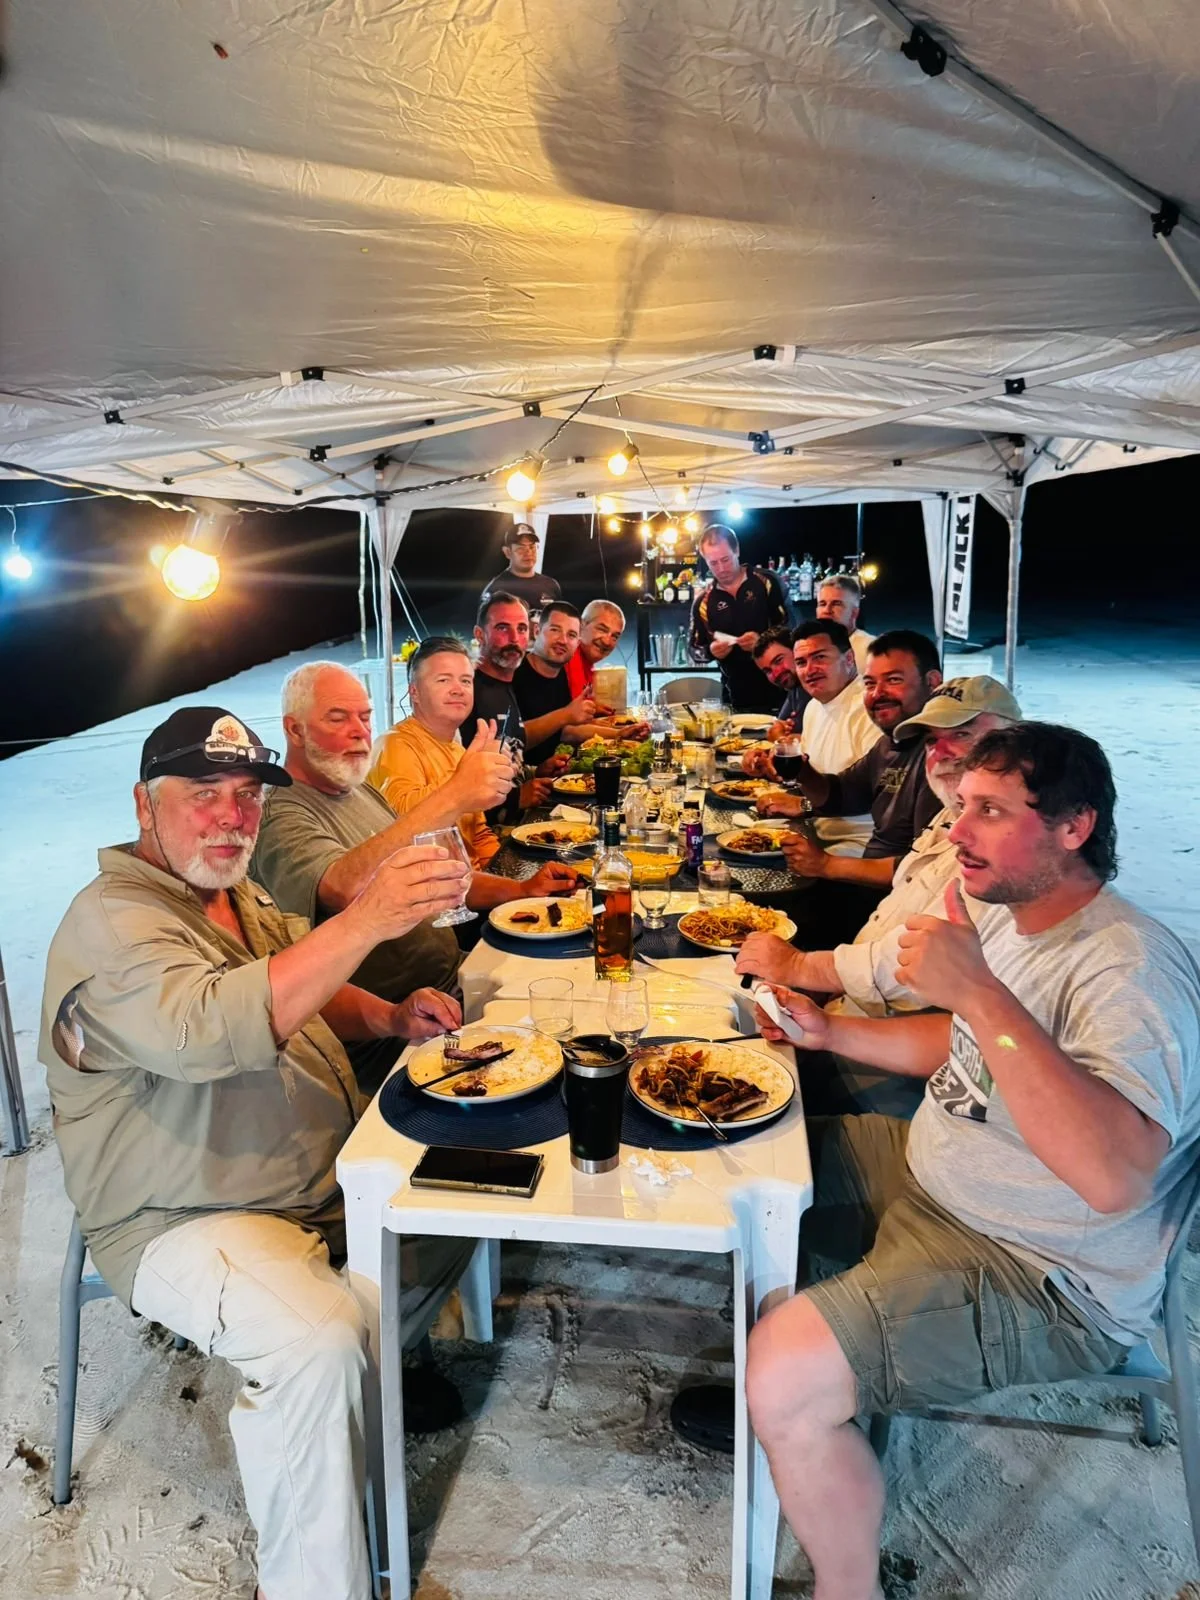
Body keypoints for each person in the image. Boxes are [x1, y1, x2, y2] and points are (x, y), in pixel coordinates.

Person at [746, 723, 1200, 1600]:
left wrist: (979, 989)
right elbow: (968, 1046)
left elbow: (1118, 1177)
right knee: (752, 1154)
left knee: (783, 1375)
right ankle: (815, 1391)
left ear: (1075, 826)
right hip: (932, 1179)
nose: (956, 832)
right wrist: (830, 1028)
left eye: (990, 812)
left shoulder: (1126, 968)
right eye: (961, 808)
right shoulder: (1017, 916)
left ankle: (847, 1581)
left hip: (1041, 1269)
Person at [40, 706, 477, 1600]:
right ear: (142, 804)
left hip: (307, 1178)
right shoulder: (113, 923)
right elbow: (208, 1027)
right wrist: (369, 918)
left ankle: (367, 1384)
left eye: (245, 795)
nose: (232, 816)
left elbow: (308, 983)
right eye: (203, 794)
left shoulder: (234, 895)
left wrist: (389, 1016)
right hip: (184, 1213)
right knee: (314, 1340)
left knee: (477, 1183)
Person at [736, 676, 1021, 1117]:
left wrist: (802, 967)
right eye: (931, 740)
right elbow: (844, 794)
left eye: (962, 734)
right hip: (853, 1014)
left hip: (899, 1066)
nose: (940, 752)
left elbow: (911, 961)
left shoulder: (1003, 850)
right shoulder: (950, 815)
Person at [250, 661, 526, 1092]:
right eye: (337, 717)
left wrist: (525, 891)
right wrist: (455, 793)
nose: (359, 731)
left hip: (457, 985)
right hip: (392, 1033)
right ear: (295, 730)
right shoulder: (280, 812)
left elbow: (438, 874)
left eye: (364, 716)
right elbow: (346, 888)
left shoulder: (359, 790)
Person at [363, 638, 580, 915]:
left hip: (473, 892)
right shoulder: (396, 745)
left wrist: (511, 882)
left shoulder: (456, 746)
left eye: (466, 681)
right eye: (443, 680)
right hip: (435, 908)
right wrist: (463, 784)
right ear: (414, 692)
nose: (458, 690)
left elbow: (478, 834)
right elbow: (407, 827)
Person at [758, 631, 943, 928]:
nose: (877, 693)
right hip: (865, 889)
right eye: (870, 683)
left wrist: (826, 865)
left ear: (932, 682)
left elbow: (924, 869)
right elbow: (840, 795)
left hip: (894, 910)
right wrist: (800, 770)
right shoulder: (893, 742)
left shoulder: (940, 760)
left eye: (893, 680)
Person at [466, 592, 571, 822]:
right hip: (489, 840)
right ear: (479, 635)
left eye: (522, 629)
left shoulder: (506, 686)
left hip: (521, 824)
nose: (514, 638)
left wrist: (536, 772)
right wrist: (515, 798)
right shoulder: (467, 693)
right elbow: (456, 786)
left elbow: (508, 758)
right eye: (503, 628)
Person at [688, 525, 789, 711]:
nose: (721, 568)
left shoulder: (767, 582)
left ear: (737, 551)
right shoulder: (703, 601)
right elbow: (694, 650)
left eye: (725, 559)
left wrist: (763, 642)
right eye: (713, 563)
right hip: (735, 695)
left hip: (781, 688)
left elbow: (792, 629)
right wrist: (711, 651)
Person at [479, 522, 562, 617]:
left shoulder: (551, 585)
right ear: (507, 552)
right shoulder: (496, 589)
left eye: (532, 547)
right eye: (521, 549)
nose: (528, 553)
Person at [749, 625, 809, 740]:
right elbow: (777, 725)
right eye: (768, 671)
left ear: (797, 650)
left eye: (778, 660)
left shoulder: (819, 688)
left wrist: (782, 739)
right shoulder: (795, 689)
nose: (776, 674)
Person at [564, 599, 627, 699]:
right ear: (582, 625)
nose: (607, 641)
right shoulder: (563, 658)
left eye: (614, 636)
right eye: (602, 629)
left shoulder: (589, 666)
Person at [816, 573, 875, 673]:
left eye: (836, 604)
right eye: (822, 604)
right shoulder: (809, 647)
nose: (827, 610)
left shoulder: (871, 650)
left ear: (854, 612)